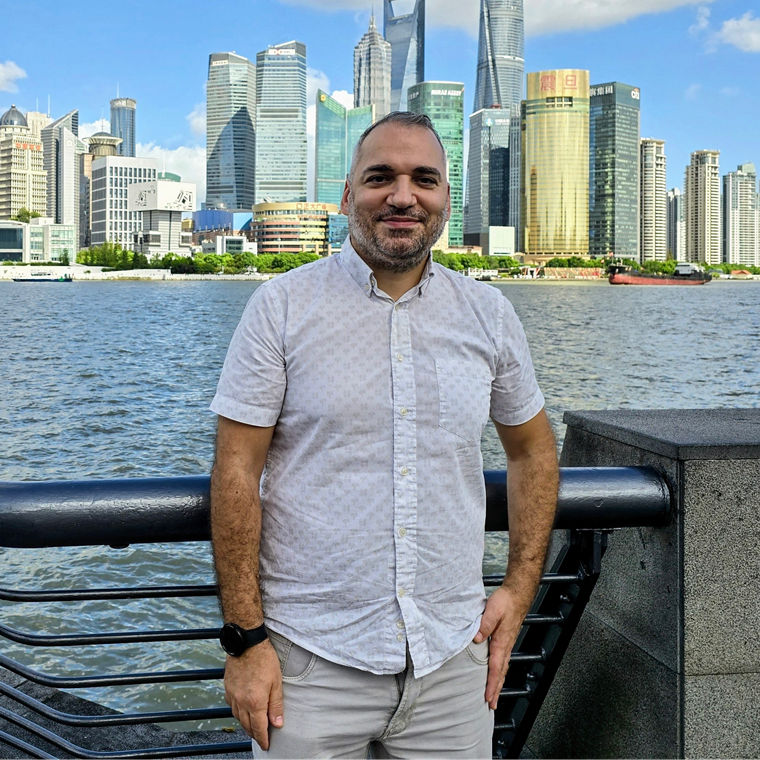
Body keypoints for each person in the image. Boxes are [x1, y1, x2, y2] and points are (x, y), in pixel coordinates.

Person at [209, 111, 558, 758]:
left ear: (446, 199)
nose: (403, 195)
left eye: (424, 178)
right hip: (308, 665)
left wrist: (519, 585)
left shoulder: (490, 316)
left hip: (453, 662)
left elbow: (533, 449)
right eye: (381, 177)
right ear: (347, 196)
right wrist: (244, 640)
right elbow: (235, 472)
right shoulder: (281, 308)